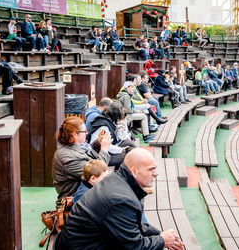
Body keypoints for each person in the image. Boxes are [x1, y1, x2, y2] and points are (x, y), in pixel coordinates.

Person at [54, 148, 184, 250]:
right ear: (135, 171)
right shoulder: (121, 200)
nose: (156, 173)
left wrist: (161, 234)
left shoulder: (117, 180)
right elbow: (135, 246)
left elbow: (136, 225)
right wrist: (163, 240)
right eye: (151, 169)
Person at [52, 116, 112, 207]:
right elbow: (97, 173)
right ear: (74, 134)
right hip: (77, 200)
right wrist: (104, 149)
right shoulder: (67, 157)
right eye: (84, 131)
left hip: (85, 193)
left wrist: (98, 143)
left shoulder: (71, 147)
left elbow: (87, 158)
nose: (87, 133)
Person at [87, 102, 137, 168]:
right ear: (116, 115)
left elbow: (119, 138)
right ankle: (121, 174)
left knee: (131, 145)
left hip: (105, 148)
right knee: (127, 156)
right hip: (99, 154)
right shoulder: (104, 126)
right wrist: (121, 150)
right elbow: (106, 145)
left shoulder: (107, 120)